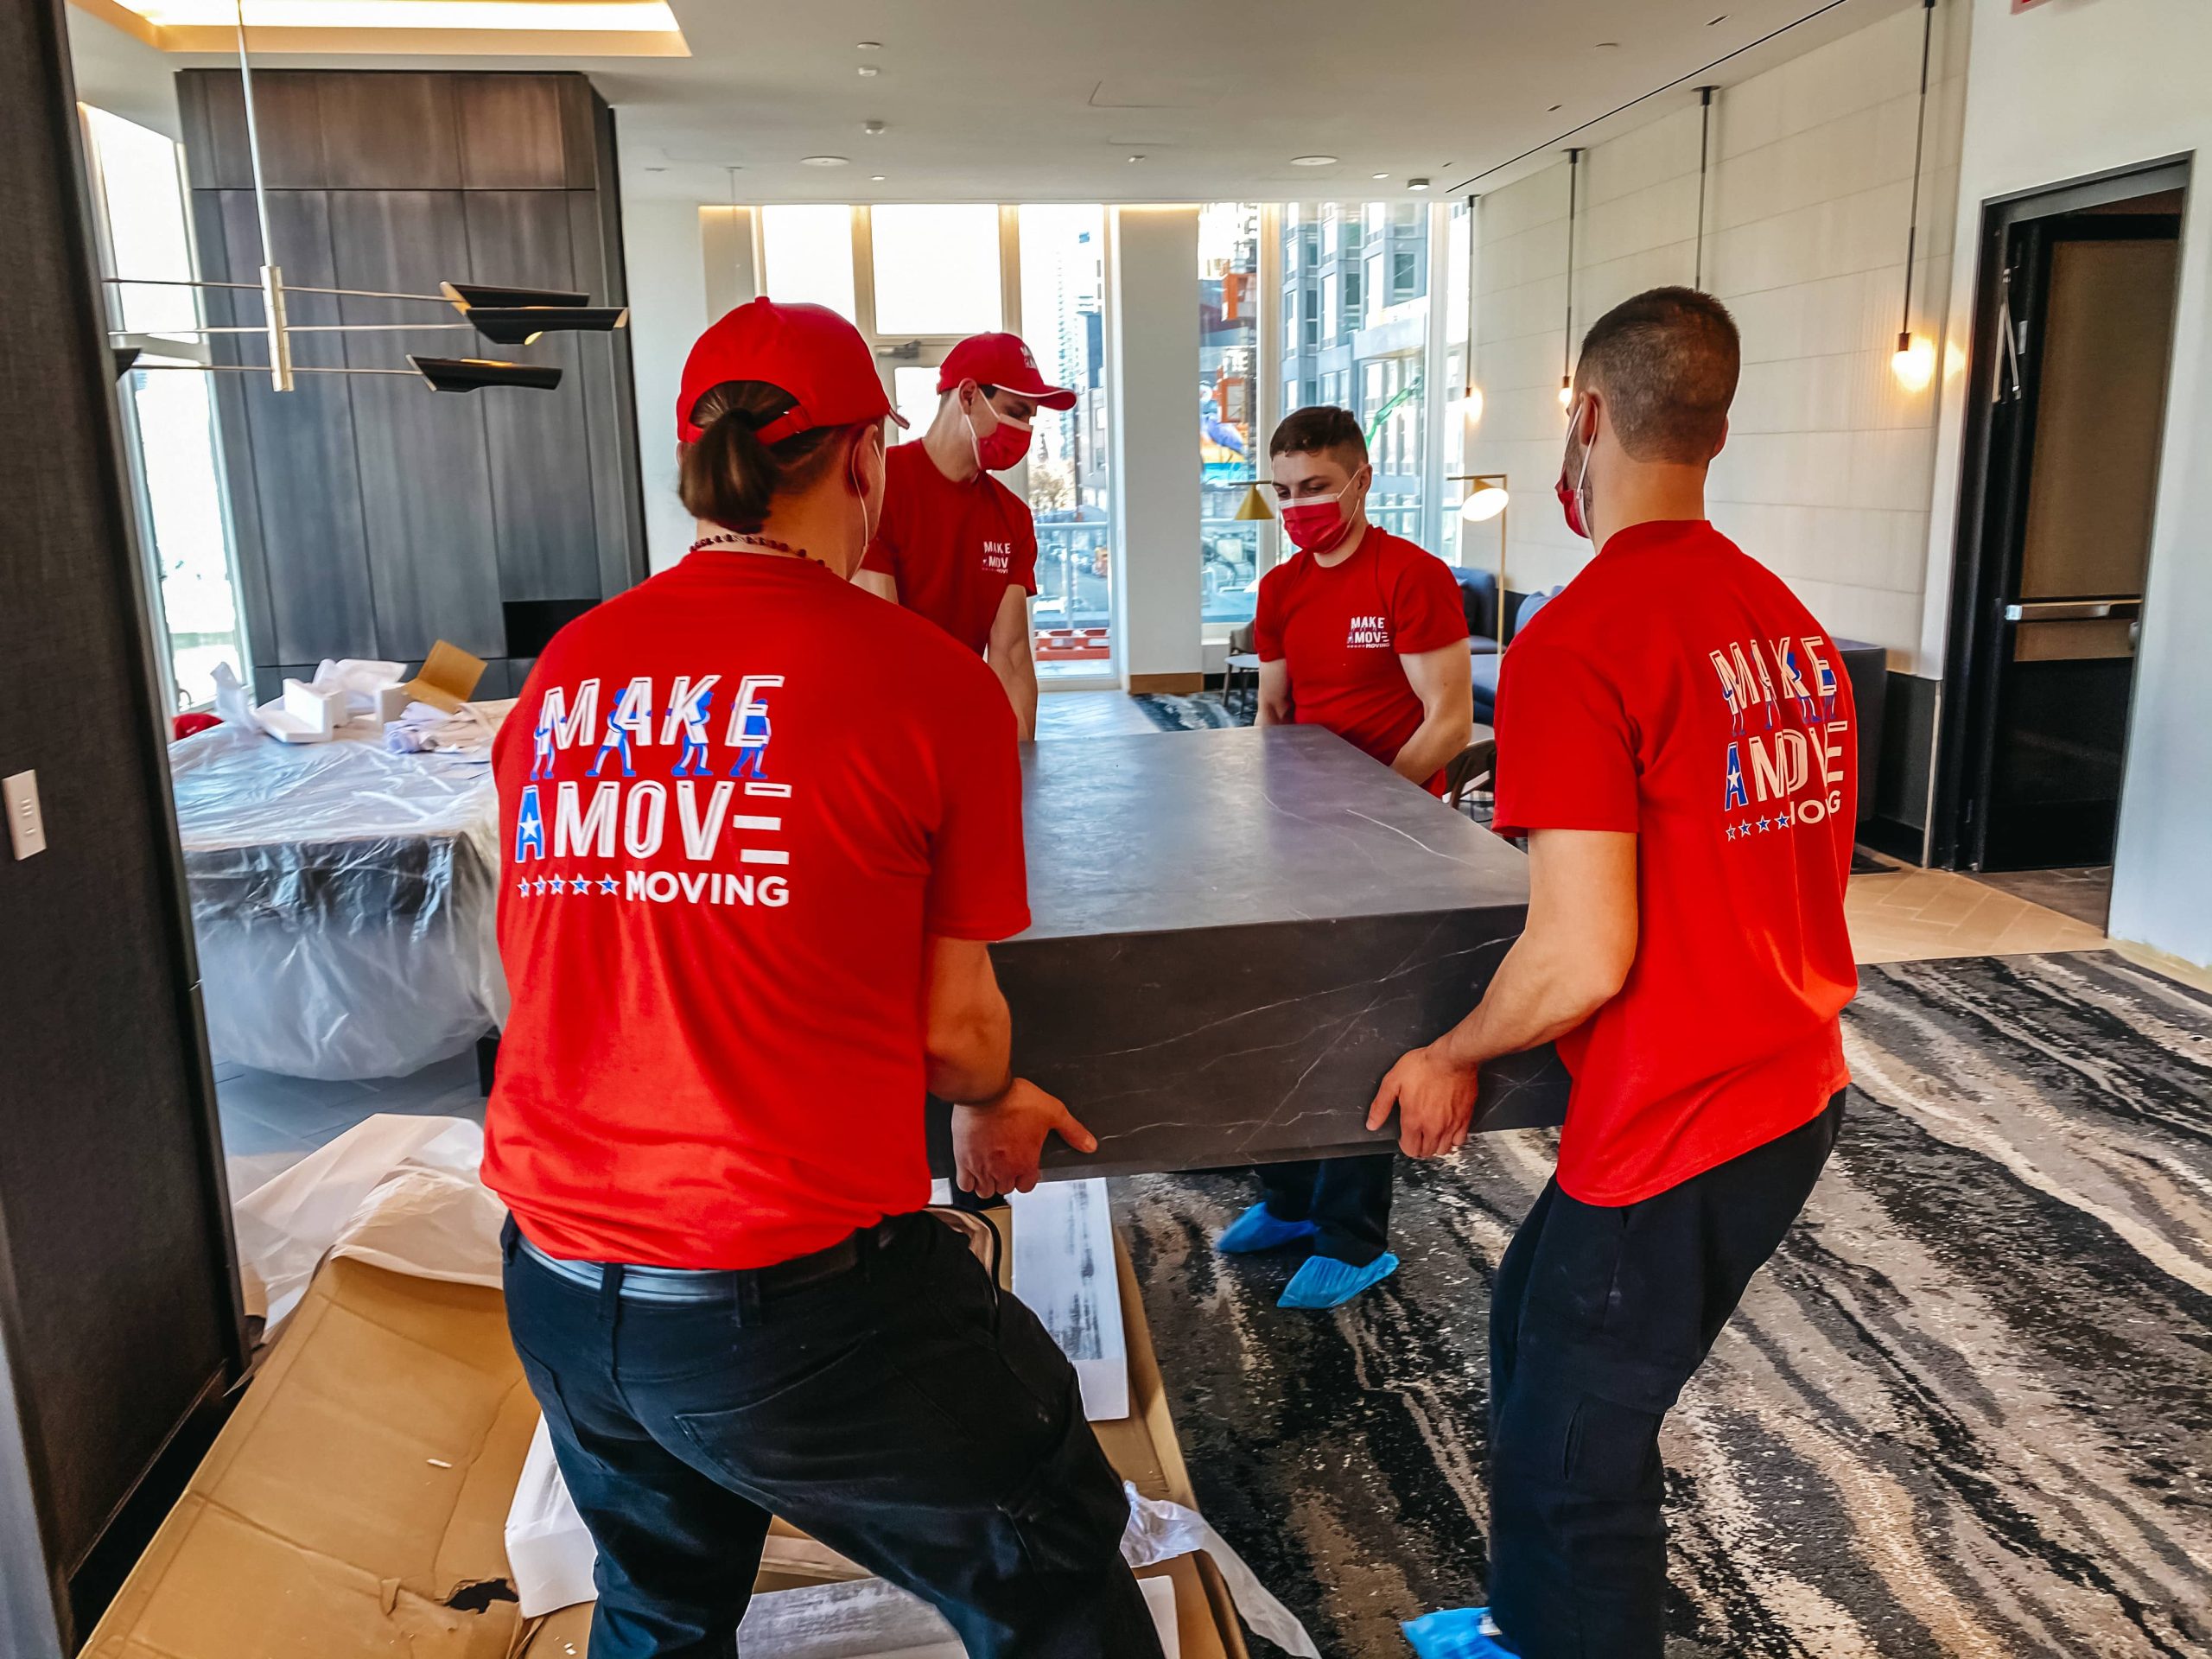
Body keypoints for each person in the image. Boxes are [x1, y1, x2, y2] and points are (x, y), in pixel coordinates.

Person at [480, 297, 1165, 1659]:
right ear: (863, 465)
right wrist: (999, 1092)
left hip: (554, 1277)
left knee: (663, 1607)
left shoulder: (569, 674)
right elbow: (958, 1035)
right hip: (780, 1302)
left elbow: (563, 962)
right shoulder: (922, 684)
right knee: (1054, 1564)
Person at [1374, 288, 1858, 1659]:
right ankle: (1533, 1622)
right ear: (1715, 425)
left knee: (1573, 1450)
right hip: (1791, 1081)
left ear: (1584, 419)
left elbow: (1582, 953)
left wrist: (1454, 1050)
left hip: (1687, 1117)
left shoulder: (1580, 638)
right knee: (1533, 1334)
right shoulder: (1786, 625)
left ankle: (1564, 1630)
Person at [1216, 404, 1473, 1311]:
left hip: (1392, 841)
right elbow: (1274, 714)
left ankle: (1353, 1237)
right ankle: (1287, 1201)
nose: (1298, 507)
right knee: (1282, 1015)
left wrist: (1371, 805)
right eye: (1282, 493)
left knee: (1361, 1035)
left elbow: (1448, 717)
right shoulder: (1282, 590)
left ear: (1361, 480)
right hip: (1299, 835)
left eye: (1316, 489)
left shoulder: (1411, 578)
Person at [855, 333, 1074, 740]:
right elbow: (882, 647)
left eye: (1030, 418)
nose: (1024, 429)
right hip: (890, 727)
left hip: (961, 723)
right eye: (1016, 411)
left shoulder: (1012, 517)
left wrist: (1020, 766)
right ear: (969, 396)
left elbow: (1009, 657)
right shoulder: (881, 486)